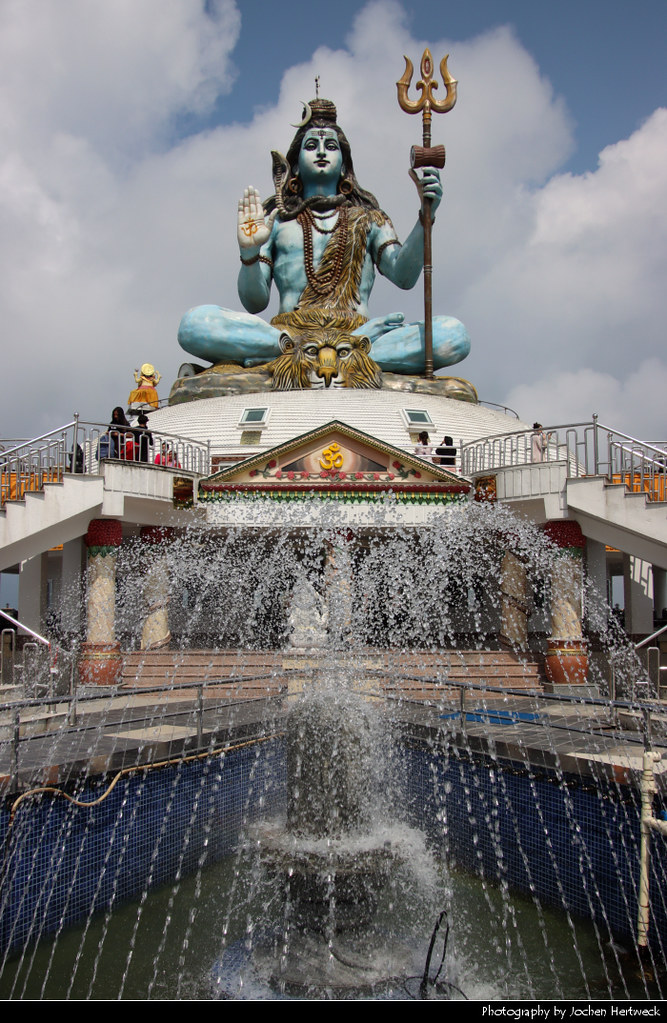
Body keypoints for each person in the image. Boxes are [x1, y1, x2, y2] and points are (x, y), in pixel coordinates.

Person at [178, 97, 470, 375]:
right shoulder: (278, 221)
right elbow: (255, 302)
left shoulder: (369, 218)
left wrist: (425, 216)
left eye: (330, 145)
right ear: (294, 162)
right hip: (288, 334)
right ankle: (327, 354)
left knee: (453, 335)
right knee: (194, 325)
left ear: (344, 163)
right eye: (311, 145)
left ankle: (311, 355)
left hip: (357, 335)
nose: (320, 152)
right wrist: (249, 253)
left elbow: (404, 277)